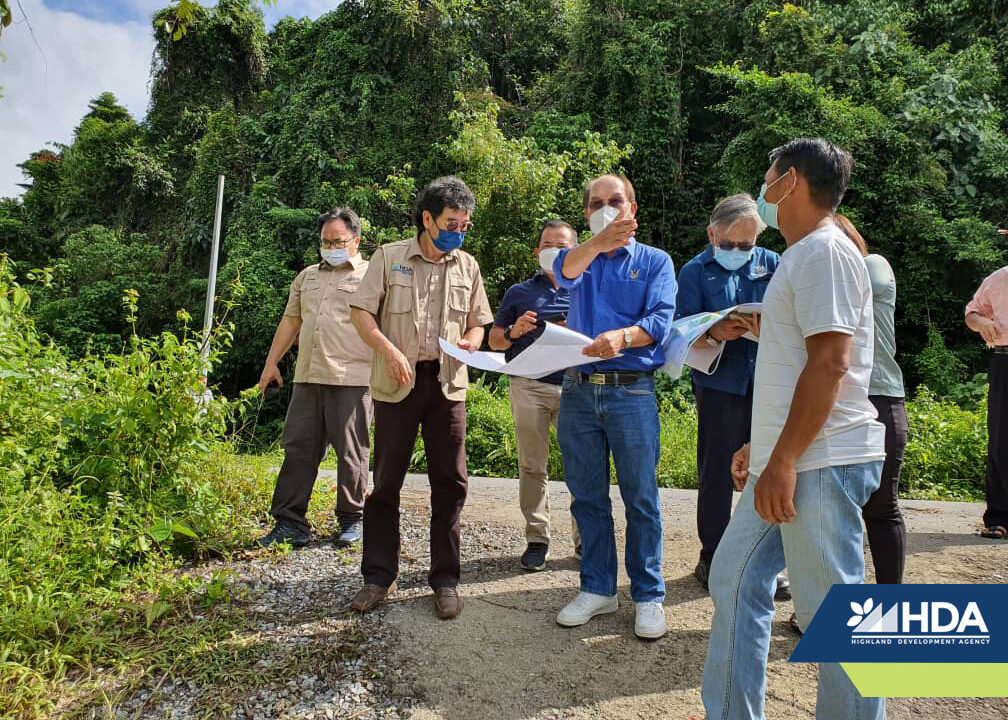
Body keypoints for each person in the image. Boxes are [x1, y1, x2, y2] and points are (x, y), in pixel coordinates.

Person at [699, 138, 886, 720]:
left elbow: (831, 364)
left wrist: (782, 460)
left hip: (821, 463)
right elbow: (797, 365)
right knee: (732, 580)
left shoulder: (824, 253)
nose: (763, 190)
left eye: (768, 178)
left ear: (792, 182)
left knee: (837, 616)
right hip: (791, 458)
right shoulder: (804, 255)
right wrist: (766, 448)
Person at [347, 176, 494, 620]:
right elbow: (360, 313)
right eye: (452, 223)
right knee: (386, 481)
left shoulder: (467, 265)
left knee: (450, 482)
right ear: (426, 218)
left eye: (465, 226)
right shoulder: (389, 257)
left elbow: (478, 323)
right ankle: (377, 577)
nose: (458, 232)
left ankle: (445, 580)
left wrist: (471, 340)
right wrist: (388, 351)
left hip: (447, 385)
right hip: (397, 383)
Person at [551, 174, 677, 640]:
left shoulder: (655, 261)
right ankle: (598, 588)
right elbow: (563, 271)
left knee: (641, 498)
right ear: (586, 212)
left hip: (632, 390)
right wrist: (597, 242)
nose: (606, 207)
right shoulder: (577, 258)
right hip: (579, 391)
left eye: (615, 200)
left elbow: (661, 320)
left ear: (633, 207)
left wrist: (623, 337)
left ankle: (648, 594)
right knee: (587, 496)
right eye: (597, 203)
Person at [674, 194, 788, 599]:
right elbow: (681, 331)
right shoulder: (693, 271)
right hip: (719, 383)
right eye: (729, 244)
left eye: (746, 245)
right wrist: (714, 332)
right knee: (717, 472)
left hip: (769, 382)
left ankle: (770, 564)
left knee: (771, 468)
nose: (738, 252)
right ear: (712, 234)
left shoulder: (774, 264)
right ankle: (714, 557)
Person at [256, 208, 373, 550]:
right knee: (298, 450)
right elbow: (291, 321)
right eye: (325, 241)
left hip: (353, 378)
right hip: (308, 376)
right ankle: (290, 523)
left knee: (351, 452)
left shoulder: (372, 276)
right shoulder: (307, 276)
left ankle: (352, 519)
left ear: (356, 241)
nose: (331, 247)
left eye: (338, 241)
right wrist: (271, 364)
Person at [489, 220, 581, 571]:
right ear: (537, 252)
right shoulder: (518, 293)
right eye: (548, 245)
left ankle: (584, 542)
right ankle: (537, 539)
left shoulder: (589, 288)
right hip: (528, 385)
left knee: (581, 467)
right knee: (532, 465)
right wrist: (514, 331)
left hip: (576, 388)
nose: (555, 251)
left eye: (563, 245)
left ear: (577, 249)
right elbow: (495, 341)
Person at [834, 213, 908, 582]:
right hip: (839, 398)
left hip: (881, 397)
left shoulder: (872, 265)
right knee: (835, 507)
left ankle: (889, 606)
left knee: (881, 507)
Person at [965, 232, 1008, 540]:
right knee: (1001, 438)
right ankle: (999, 518)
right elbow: (972, 311)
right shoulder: (998, 279)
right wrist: (981, 323)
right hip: (1004, 360)